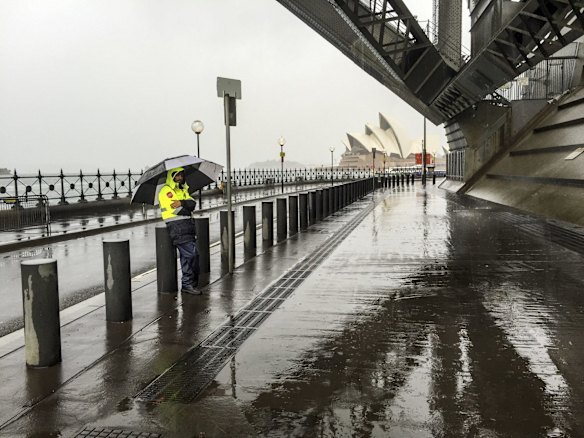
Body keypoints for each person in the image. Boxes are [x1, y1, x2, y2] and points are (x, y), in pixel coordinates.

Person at [158, 167, 200, 295]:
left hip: (188, 225)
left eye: (182, 175)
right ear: (172, 177)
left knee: (186, 257)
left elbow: (193, 204)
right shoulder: (166, 191)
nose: (180, 178)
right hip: (177, 226)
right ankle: (191, 281)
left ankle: (187, 284)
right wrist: (186, 205)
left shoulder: (183, 189)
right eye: (177, 176)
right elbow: (177, 210)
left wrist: (182, 202)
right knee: (192, 255)